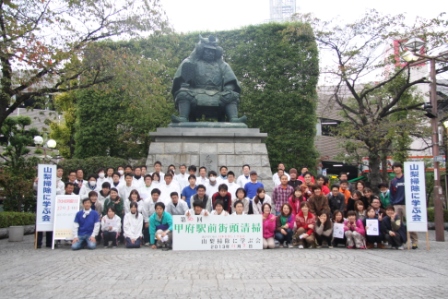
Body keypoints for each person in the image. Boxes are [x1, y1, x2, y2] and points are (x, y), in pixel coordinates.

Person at [170, 35, 246, 123]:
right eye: (207, 51)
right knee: (182, 93)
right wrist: (185, 85)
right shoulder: (192, 62)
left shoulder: (222, 65)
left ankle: (234, 119)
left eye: (212, 51)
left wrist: (229, 87)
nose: (210, 53)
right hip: (195, 93)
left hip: (218, 94)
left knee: (232, 95)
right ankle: (183, 117)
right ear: (202, 51)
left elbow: (231, 80)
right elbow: (183, 77)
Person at [389, 162, 418, 249]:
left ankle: (414, 241)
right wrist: (393, 203)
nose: (396, 169)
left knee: (410, 223)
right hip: (397, 204)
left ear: (401, 168)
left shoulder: (408, 178)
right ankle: (400, 241)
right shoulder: (393, 181)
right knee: (397, 224)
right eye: (395, 168)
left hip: (407, 204)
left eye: (398, 167)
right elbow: (392, 193)